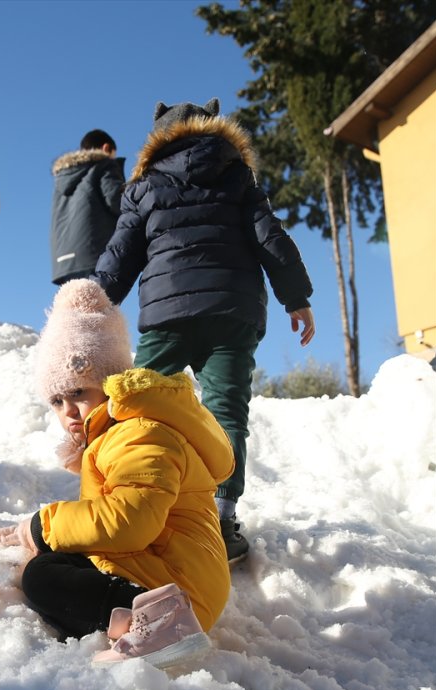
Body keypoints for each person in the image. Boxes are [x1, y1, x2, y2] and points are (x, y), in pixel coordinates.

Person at [92, 98, 316, 563]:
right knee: (225, 412)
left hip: (167, 314)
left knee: (137, 405)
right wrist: (296, 297)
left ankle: (127, 498)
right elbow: (270, 236)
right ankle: (221, 515)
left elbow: (121, 253)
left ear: (158, 137)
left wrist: (92, 304)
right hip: (232, 313)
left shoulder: (145, 186)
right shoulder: (237, 178)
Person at [0, 279, 233, 669]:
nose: (68, 410)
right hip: (163, 570)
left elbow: (129, 522)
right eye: (57, 400)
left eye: (79, 392)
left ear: (111, 384)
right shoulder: (115, 437)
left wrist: (42, 526)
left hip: (181, 589)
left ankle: (161, 626)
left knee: (43, 577)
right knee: (49, 565)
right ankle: (133, 619)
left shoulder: (140, 433)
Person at [49, 129, 126, 286]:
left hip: (63, 260)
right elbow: (117, 201)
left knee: (76, 306)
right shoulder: (104, 166)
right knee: (100, 306)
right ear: (106, 148)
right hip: (93, 253)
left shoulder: (63, 177)